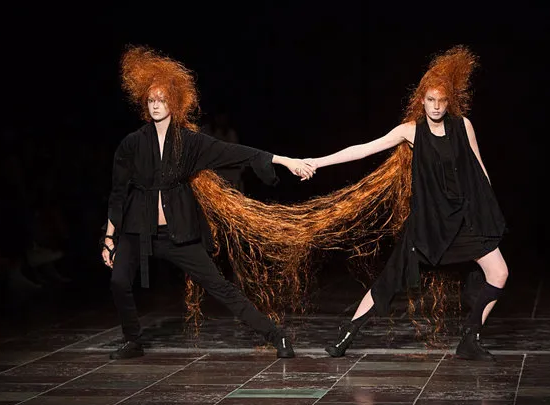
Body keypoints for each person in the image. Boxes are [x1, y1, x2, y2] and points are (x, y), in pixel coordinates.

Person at [101, 45, 314, 360]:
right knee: (119, 281)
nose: (156, 105)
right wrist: (109, 237)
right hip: (136, 228)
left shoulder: (190, 142)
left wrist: (284, 160)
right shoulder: (131, 144)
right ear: (144, 104)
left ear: (174, 101)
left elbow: (236, 152)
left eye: (162, 99)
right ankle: (133, 340)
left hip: (178, 233)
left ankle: (276, 335)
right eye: (151, 100)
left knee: (220, 287)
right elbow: (118, 192)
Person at [303, 46, 508, 361]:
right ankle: (348, 333)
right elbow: (363, 149)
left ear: (448, 101)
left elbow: (480, 172)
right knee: (391, 279)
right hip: (429, 223)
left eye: (442, 101)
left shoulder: (463, 126)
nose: (436, 106)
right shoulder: (411, 131)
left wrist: (488, 214)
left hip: (464, 219)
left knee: (499, 273)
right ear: (421, 99)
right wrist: (317, 161)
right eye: (430, 100)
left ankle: (470, 338)